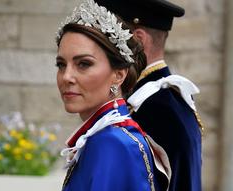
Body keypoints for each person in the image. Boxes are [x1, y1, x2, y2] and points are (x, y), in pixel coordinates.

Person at [55, 0, 171, 190]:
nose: (66, 77)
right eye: (61, 65)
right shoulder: (105, 136)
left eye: (83, 64)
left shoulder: (112, 143)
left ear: (119, 75)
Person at [94, 0, 203, 191]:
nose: (103, 47)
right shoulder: (165, 97)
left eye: (110, 37)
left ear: (138, 39)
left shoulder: (156, 106)